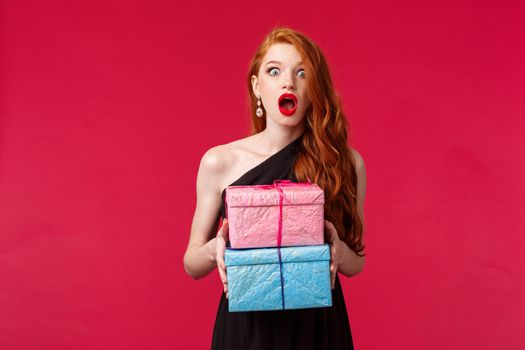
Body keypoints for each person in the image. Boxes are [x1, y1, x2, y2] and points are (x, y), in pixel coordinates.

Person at [183, 26, 367, 349]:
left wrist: (336, 248)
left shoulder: (347, 163)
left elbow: (356, 263)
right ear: (257, 86)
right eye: (274, 71)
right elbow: (191, 263)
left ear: (315, 87)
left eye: (302, 72)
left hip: (318, 329)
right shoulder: (219, 162)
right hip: (246, 329)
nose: (288, 82)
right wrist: (216, 249)